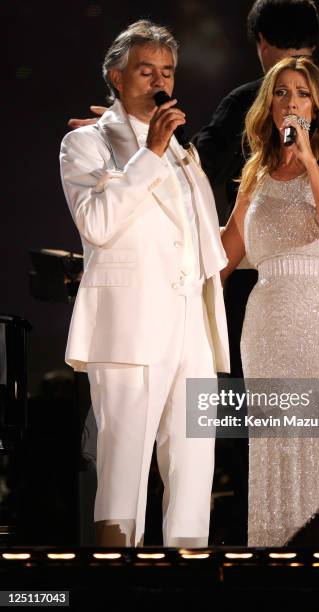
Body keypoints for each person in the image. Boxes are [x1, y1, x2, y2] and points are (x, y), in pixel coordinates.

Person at [60, 19, 230, 548]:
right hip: (130, 329)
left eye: (168, 72)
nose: (159, 81)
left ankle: (188, 581)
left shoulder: (185, 154)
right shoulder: (85, 143)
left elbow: (205, 244)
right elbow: (98, 224)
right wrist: (149, 152)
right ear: (116, 75)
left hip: (191, 328)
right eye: (145, 70)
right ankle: (114, 586)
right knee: (123, 470)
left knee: (194, 469)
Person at [220, 55, 319, 546]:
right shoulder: (254, 172)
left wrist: (306, 161)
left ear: (316, 106)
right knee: (274, 442)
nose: (291, 102)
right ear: (269, 104)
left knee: (318, 436)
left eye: (302, 93)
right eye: (282, 93)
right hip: (265, 319)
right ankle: (274, 560)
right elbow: (224, 257)